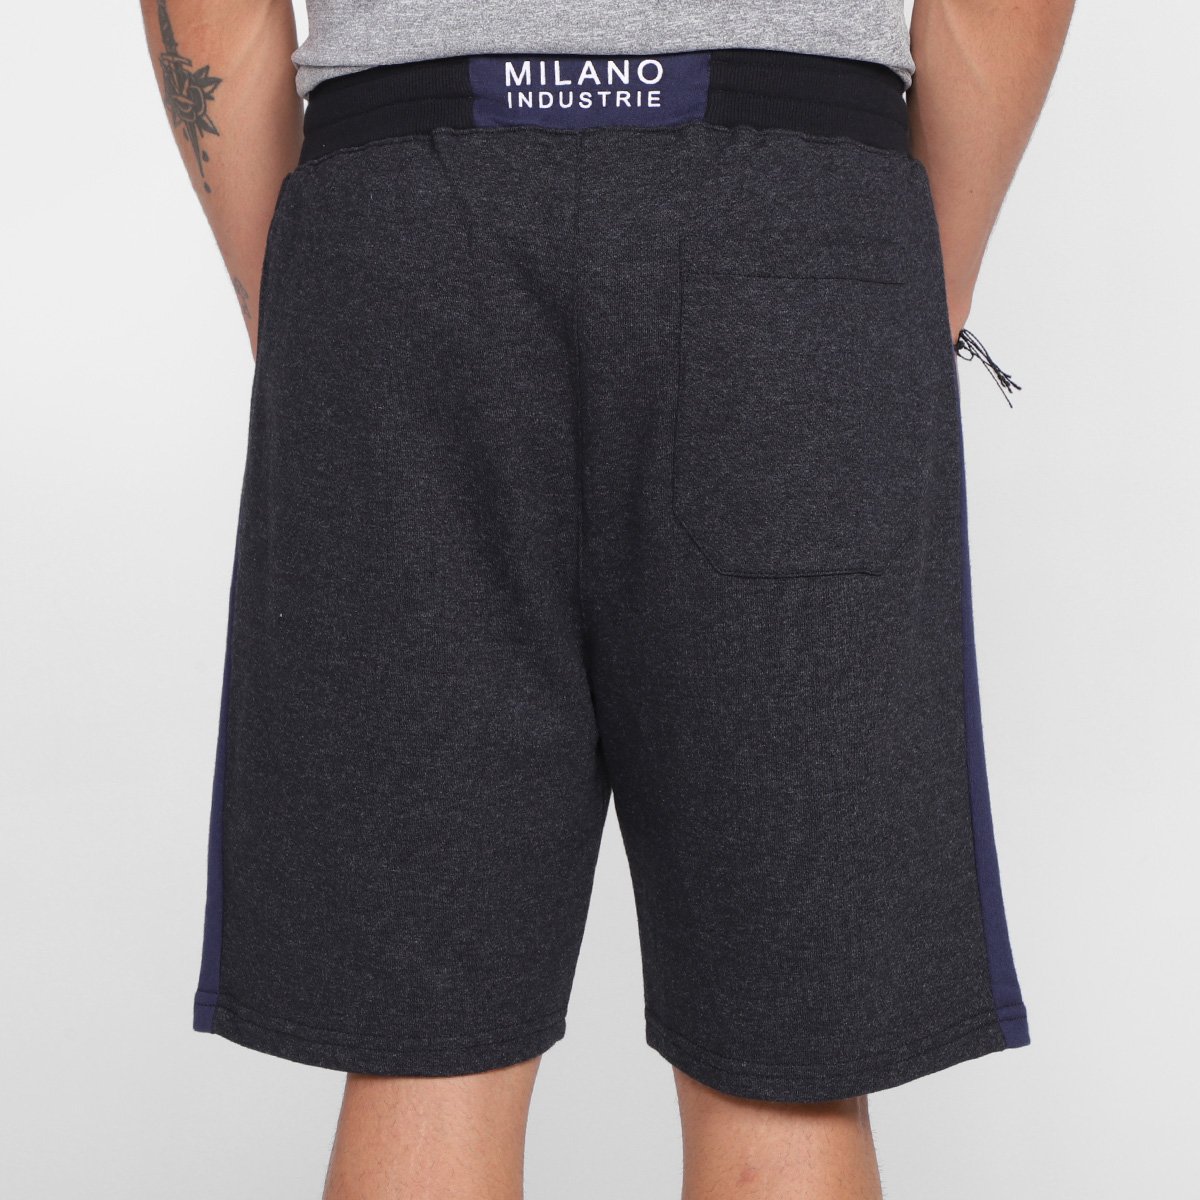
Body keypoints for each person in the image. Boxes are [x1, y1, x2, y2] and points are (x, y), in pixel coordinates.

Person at [140, 0, 1073, 1195]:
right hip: (792, 224)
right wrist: (907, 284)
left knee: (425, 1061)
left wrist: (302, 295)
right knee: (787, 1068)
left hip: (398, 227)